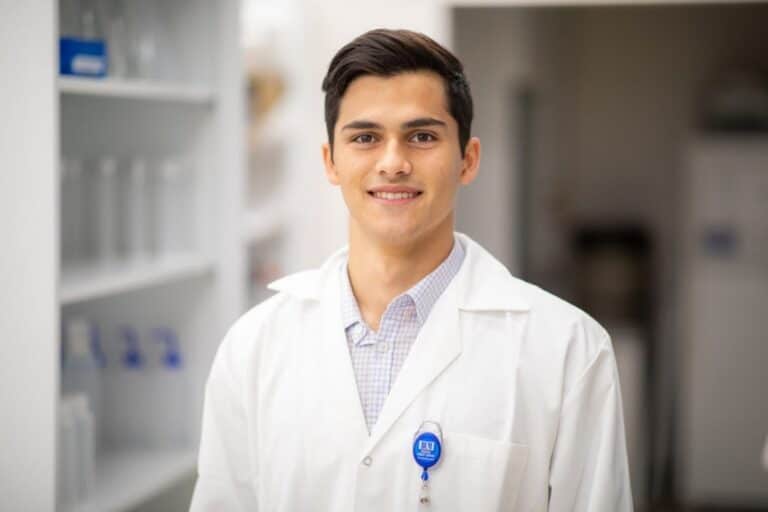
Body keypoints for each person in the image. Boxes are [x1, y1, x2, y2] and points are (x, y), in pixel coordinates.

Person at [190, 28, 633, 511]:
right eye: (365, 137)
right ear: (331, 162)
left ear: (468, 159)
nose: (393, 162)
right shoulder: (253, 347)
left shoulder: (570, 350)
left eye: (421, 136)